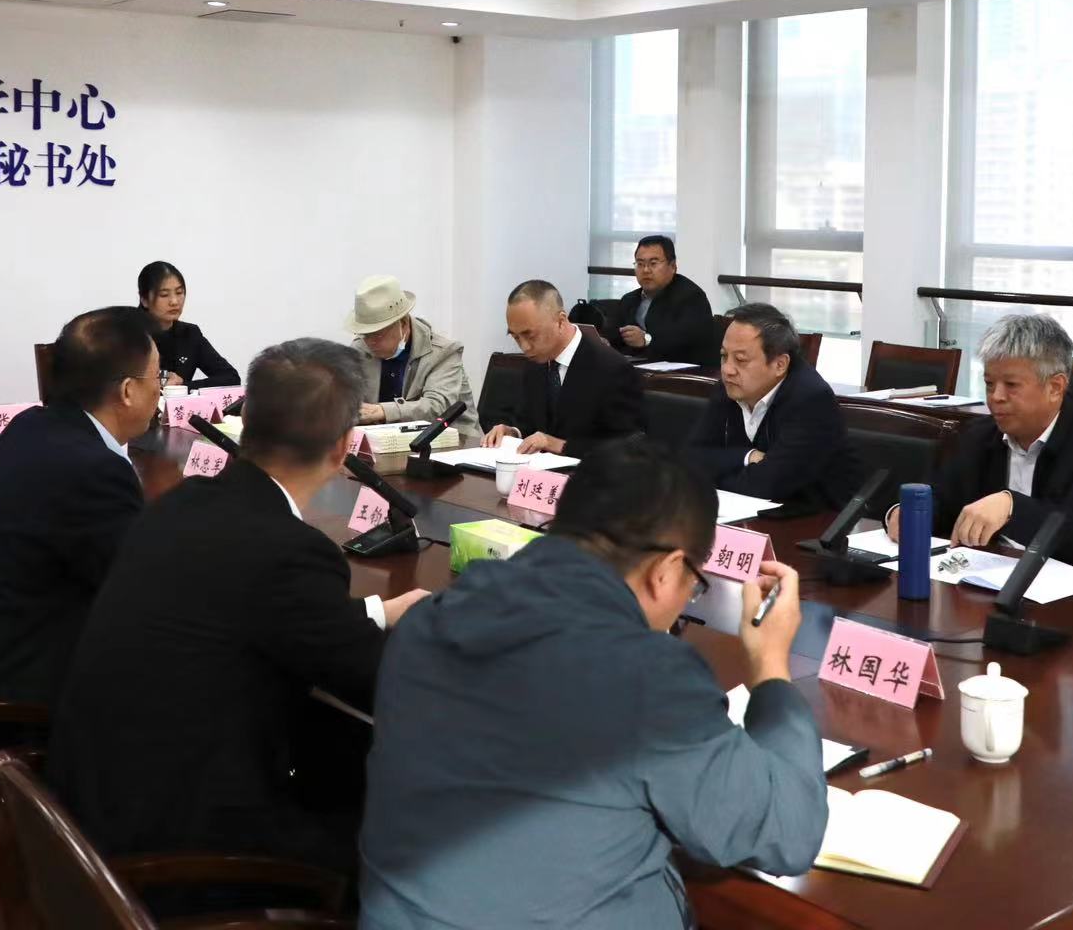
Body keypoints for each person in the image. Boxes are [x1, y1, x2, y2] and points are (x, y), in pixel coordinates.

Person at [358, 439, 826, 929]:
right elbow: (786, 835)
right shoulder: (645, 675)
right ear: (667, 570)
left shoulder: (427, 621)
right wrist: (770, 666)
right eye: (695, 583)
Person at [46, 338, 430, 874]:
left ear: (245, 422)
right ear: (345, 447)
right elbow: (383, 683)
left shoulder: (181, 503)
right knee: (409, 832)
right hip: (177, 851)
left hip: (80, 813)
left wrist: (375, 614)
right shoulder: (290, 551)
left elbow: (260, 616)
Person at [0, 307, 158, 706]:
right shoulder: (96, 470)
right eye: (157, 378)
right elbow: (134, 596)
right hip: (4, 694)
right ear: (127, 391)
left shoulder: (31, 425)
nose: (160, 391)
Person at [885, 313, 1073, 569]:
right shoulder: (978, 436)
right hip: (983, 575)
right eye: (989, 384)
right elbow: (943, 498)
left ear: (1055, 387)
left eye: (1011, 385)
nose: (996, 397)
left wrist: (1012, 507)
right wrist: (907, 513)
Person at [683, 303, 857, 515]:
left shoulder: (811, 399)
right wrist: (747, 456)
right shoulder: (729, 387)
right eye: (723, 356)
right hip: (752, 515)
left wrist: (713, 477)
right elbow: (690, 459)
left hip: (816, 521)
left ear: (779, 365)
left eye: (740, 360)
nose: (727, 369)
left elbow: (766, 485)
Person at [482, 280, 644, 455]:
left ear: (560, 321)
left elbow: (629, 446)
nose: (525, 347)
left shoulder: (611, 368)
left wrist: (559, 445)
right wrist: (512, 433)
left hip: (588, 470)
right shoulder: (536, 363)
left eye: (530, 335)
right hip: (537, 468)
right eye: (516, 337)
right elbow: (529, 423)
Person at [344, 275, 479, 437]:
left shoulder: (444, 352)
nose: (370, 342)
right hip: (386, 441)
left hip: (453, 441)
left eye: (378, 334)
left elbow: (437, 407)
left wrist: (382, 411)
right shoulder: (360, 348)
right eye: (365, 334)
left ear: (403, 324)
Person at [602, 235, 716, 368]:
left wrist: (646, 340)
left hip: (685, 372)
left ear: (672, 266)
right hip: (639, 369)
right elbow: (616, 334)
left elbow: (685, 340)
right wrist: (605, 342)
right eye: (640, 264)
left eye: (653, 263)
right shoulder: (629, 299)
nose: (646, 270)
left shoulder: (691, 296)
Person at [138, 260, 240, 390]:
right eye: (164, 295)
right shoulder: (128, 335)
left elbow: (231, 378)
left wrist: (183, 386)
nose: (174, 301)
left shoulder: (189, 334)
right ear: (144, 299)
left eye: (179, 292)